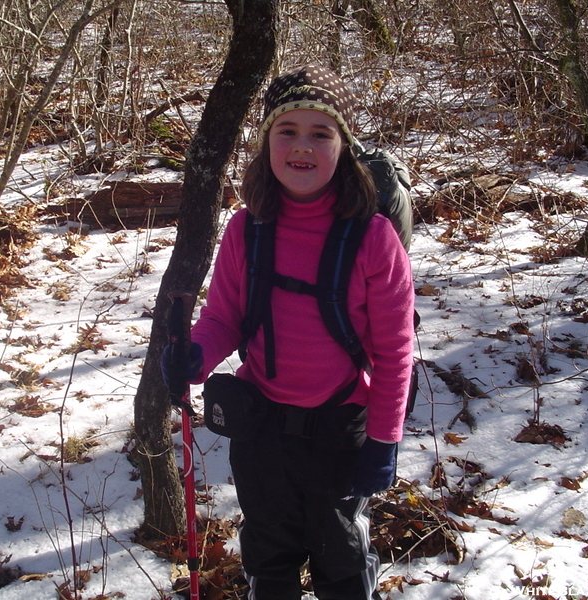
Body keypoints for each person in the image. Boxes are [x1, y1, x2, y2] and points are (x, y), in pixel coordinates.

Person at [162, 64, 414, 600]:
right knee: (268, 563)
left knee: (342, 567)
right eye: (287, 131)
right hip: (263, 431)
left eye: (321, 133)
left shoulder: (373, 239)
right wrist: (196, 354)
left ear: (343, 146)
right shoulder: (244, 228)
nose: (303, 147)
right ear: (266, 142)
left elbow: (395, 355)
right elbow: (225, 315)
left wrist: (383, 441)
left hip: (341, 430)